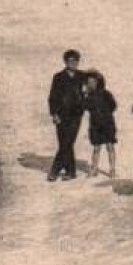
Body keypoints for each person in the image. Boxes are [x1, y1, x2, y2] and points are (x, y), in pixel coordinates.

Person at [47, 49, 87, 182]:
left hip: (76, 115)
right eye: (70, 61)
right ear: (65, 62)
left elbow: (93, 86)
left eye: (76, 61)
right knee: (64, 142)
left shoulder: (82, 76)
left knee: (68, 142)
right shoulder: (58, 77)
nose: (73, 63)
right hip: (61, 114)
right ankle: (71, 171)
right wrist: (54, 114)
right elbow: (52, 97)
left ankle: (55, 170)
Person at [82, 71, 118, 178]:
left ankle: (112, 169)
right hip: (95, 125)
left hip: (108, 124)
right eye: (89, 82)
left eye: (93, 81)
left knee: (110, 146)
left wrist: (105, 114)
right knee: (96, 148)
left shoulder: (106, 93)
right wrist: (85, 95)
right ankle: (94, 168)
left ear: (99, 82)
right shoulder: (88, 95)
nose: (91, 84)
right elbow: (85, 106)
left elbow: (113, 106)